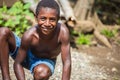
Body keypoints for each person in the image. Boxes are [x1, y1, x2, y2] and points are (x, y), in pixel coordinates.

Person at [0, 0, 71, 80]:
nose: (47, 24)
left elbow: (67, 62)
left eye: (52, 19)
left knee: (42, 72)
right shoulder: (29, 35)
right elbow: (18, 63)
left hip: (45, 60)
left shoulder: (62, 32)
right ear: (36, 17)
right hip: (24, 53)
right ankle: (5, 77)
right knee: (2, 32)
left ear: (58, 19)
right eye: (43, 19)